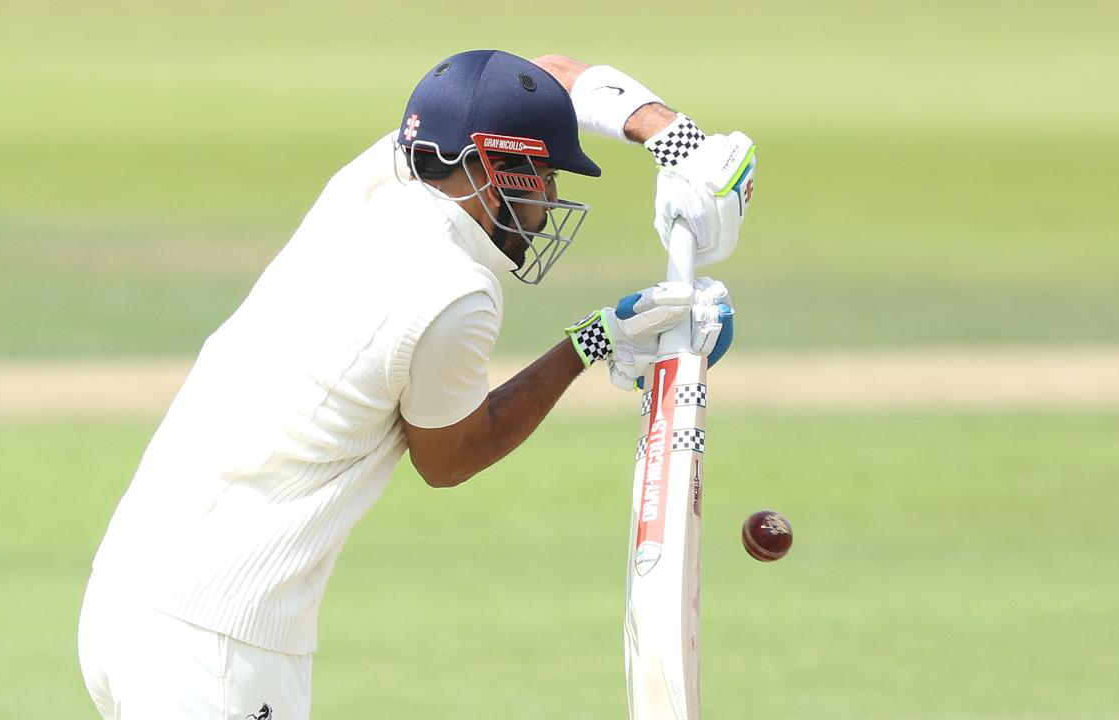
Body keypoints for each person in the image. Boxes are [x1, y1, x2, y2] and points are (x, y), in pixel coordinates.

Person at [77, 49, 755, 719]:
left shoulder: (379, 177)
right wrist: (592, 341)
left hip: (124, 594)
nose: (548, 198)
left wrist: (677, 139)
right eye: (541, 174)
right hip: (218, 643)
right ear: (490, 165)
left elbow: (548, 73)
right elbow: (451, 457)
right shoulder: (454, 291)